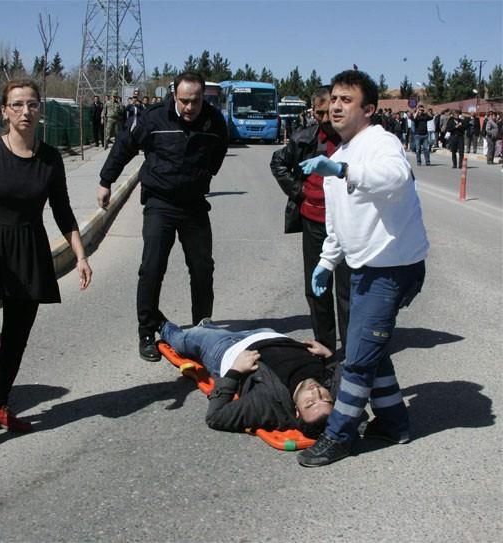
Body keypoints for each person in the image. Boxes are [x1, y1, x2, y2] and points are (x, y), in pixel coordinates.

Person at [0, 79, 93, 464]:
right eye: (17, 104)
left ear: (40, 110)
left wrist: (80, 255)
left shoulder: (50, 158)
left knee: (15, 340)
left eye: (32, 104)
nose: (25, 111)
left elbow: (62, 211)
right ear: (4, 111)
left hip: (28, 255)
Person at [297, 70, 429, 467]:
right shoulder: (337, 156)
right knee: (371, 349)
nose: (336, 106)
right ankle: (393, 422)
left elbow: (396, 178)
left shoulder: (380, 143)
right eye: (334, 99)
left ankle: (339, 435)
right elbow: (338, 223)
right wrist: (326, 262)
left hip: (392, 267)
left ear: (368, 109)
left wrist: (344, 172)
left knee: (356, 356)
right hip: (364, 267)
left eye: (347, 100)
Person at [97, 72, 228, 362]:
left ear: (203, 98)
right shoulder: (154, 118)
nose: (190, 107)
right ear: (174, 97)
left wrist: (201, 175)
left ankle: (202, 329)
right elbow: (124, 145)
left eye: (195, 101)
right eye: (184, 101)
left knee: (202, 268)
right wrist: (106, 180)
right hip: (160, 203)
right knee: (152, 267)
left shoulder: (214, 121)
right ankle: (146, 331)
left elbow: (218, 153)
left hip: (194, 204)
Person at [270, 86, 350, 357]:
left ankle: (350, 348)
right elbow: (278, 162)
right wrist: (299, 190)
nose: (325, 118)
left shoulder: (353, 140)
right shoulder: (304, 138)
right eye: (319, 113)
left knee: (347, 290)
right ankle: (325, 346)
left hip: (346, 225)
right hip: (313, 222)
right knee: (317, 289)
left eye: (330, 112)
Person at [159, 319, 335, 437]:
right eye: (326, 398)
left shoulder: (267, 404)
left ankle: (159, 324)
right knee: (206, 330)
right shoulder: (331, 386)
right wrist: (329, 356)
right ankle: (208, 327)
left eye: (310, 402)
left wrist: (234, 371)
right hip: (268, 334)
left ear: (296, 411)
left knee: (184, 339)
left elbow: (215, 417)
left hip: (226, 347)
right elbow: (343, 374)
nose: (317, 392)